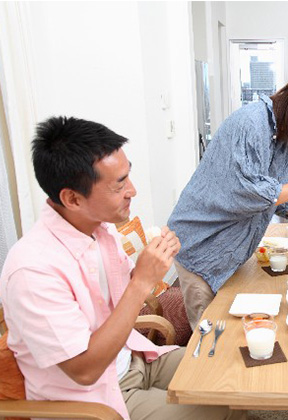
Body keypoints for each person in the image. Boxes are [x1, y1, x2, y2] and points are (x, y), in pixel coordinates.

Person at [0, 117, 239, 420]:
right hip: (91, 399)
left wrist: (151, 262)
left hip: (136, 358)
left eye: (128, 176)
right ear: (72, 198)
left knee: (233, 371)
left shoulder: (100, 229)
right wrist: (141, 281)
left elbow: (119, 289)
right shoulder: (32, 271)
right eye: (119, 184)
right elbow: (84, 371)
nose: (133, 190)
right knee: (221, 406)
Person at [168, 64, 288, 330]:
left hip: (229, 252)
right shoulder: (251, 122)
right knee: (212, 341)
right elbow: (250, 194)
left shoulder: (283, 132)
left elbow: (285, 199)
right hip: (203, 247)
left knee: (235, 330)